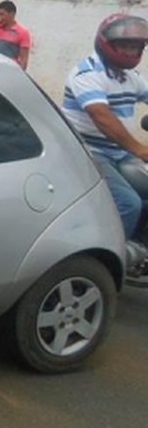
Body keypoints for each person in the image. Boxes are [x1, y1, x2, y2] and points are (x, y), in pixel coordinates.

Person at [61, 14, 148, 274]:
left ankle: (137, 248)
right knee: (128, 203)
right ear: (106, 43)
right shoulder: (87, 73)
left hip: (119, 154)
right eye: (124, 45)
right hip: (87, 153)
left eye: (135, 46)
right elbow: (102, 116)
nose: (130, 51)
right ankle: (100, 264)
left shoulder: (129, 77)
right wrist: (140, 149)